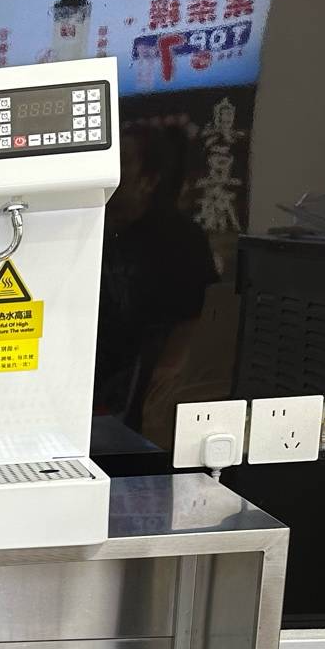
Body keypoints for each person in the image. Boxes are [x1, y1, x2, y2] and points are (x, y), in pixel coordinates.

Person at [94, 120, 221, 436]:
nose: (109, 174)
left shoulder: (180, 238)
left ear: (149, 180)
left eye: (122, 163)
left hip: (145, 387)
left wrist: (164, 376)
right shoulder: (97, 229)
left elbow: (196, 317)